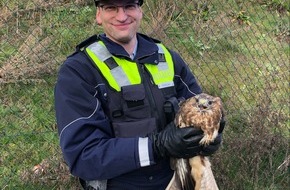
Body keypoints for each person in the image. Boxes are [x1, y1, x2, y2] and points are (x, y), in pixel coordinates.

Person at [54, 0, 225, 189]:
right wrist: (156, 146)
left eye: (129, 6)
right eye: (111, 8)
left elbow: (202, 108)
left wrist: (210, 135)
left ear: (140, 11)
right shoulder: (79, 70)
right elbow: (83, 156)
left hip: (176, 180)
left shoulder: (167, 58)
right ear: (98, 15)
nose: (121, 16)